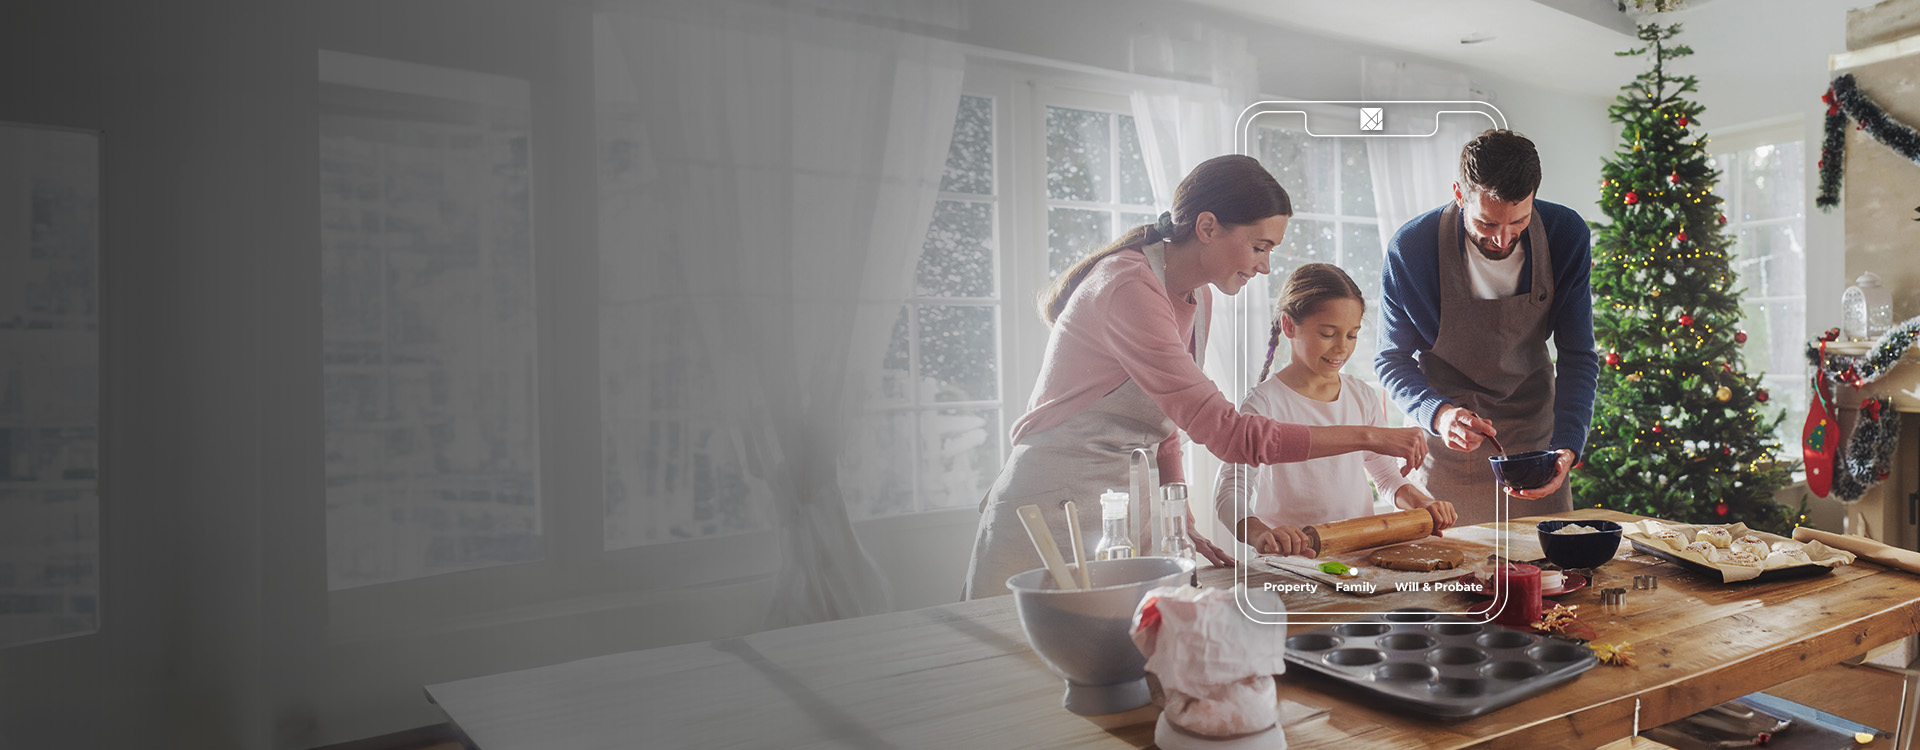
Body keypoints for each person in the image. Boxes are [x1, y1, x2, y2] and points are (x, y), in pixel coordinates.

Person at [962, 155, 1430, 599]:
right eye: (1259, 247)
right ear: (1207, 227)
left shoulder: (1197, 296)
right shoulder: (1127, 285)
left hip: (1125, 506)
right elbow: (1230, 435)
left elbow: (1166, 423)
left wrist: (1178, 514)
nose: (1265, 265)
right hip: (1052, 505)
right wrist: (1371, 436)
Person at [1375, 129, 1599, 526]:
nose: (1503, 238)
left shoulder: (1565, 235)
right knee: (1450, 562)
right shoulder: (1411, 248)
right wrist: (1440, 415)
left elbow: (1578, 356)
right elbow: (1391, 359)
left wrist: (1567, 446)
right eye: (1487, 222)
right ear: (1459, 195)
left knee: (1545, 560)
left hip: (1536, 442)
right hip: (1449, 445)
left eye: (1519, 221)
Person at [1213, 263, 1459, 557]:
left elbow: (1387, 478)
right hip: (1290, 561)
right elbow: (1230, 490)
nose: (1342, 348)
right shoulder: (1264, 402)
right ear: (1289, 326)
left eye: (1352, 335)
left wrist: (1423, 503)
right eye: (1328, 334)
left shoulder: (1361, 396)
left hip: (1357, 554)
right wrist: (1261, 533)